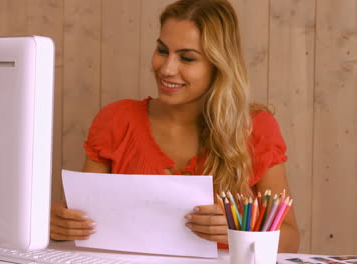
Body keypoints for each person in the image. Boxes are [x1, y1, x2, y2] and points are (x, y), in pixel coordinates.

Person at [50, 0, 300, 253]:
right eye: (162, 51)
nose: (167, 69)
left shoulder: (255, 127)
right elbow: (83, 221)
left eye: (187, 58)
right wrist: (56, 223)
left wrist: (243, 232)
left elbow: (290, 240)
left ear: (218, 64)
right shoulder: (116, 119)